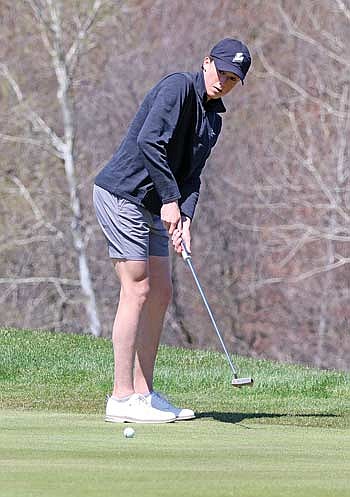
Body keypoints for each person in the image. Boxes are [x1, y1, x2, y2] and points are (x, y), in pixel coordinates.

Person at [93, 38, 251, 423]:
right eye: (222, 72)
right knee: (138, 287)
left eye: (234, 79)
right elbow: (151, 141)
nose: (224, 82)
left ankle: (144, 394)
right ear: (206, 62)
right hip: (124, 195)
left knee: (161, 292)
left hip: (157, 205)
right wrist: (169, 200)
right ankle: (121, 396)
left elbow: (193, 177)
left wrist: (186, 217)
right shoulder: (177, 87)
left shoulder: (214, 120)